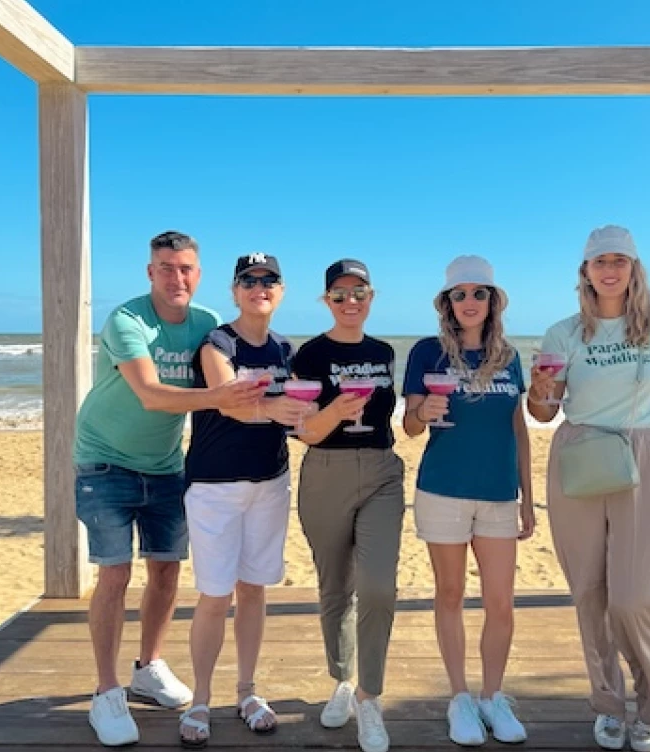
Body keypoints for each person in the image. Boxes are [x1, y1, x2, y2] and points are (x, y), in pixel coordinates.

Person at [74, 231, 265, 747]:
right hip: (104, 461)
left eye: (185, 268)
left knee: (165, 572)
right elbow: (152, 395)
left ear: (198, 275)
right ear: (149, 272)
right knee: (114, 575)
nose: (175, 277)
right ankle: (107, 691)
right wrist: (221, 396)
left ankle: (148, 666)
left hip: (165, 466)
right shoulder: (127, 320)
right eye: (165, 267)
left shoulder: (205, 324)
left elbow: (238, 367)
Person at [528, 225, 650, 752]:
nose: (610, 269)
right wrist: (541, 393)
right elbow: (544, 413)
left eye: (620, 260)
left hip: (645, 455)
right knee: (590, 592)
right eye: (600, 261)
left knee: (638, 594)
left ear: (634, 269)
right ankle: (606, 704)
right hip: (581, 454)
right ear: (586, 272)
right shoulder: (564, 333)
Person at [402, 255, 535, 747]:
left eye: (479, 293)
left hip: (499, 493)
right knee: (451, 594)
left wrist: (528, 497)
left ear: (493, 302)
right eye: (460, 294)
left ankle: (492, 696)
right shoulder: (426, 353)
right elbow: (411, 426)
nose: (470, 302)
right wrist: (424, 411)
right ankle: (459, 697)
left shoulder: (510, 358)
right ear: (447, 303)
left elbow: (518, 427)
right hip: (443, 489)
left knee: (501, 602)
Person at [178, 252, 309, 748]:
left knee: (254, 589)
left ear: (281, 290)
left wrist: (315, 415)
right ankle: (201, 698)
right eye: (249, 280)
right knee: (214, 595)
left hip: (270, 483)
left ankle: (247, 692)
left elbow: (298, 411)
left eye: (269, 279)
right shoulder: (217, 343)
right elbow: (232, 403)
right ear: (234, 291)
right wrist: (284, 410)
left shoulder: (285, 349)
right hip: (214, 487)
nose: (260, 286)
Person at [292, 259, 404, 752]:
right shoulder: (310, 354)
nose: (350, 301)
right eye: (339, 294)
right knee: (334, 585)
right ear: (326, 301)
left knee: (378, 586)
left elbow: (390, 417)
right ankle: (341, 680)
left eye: (359, 292)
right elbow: (303, 431)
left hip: (381, 470)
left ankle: (369, 696)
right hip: (325, 471)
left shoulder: (383, 351)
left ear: (372, 297)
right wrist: (336, 411)